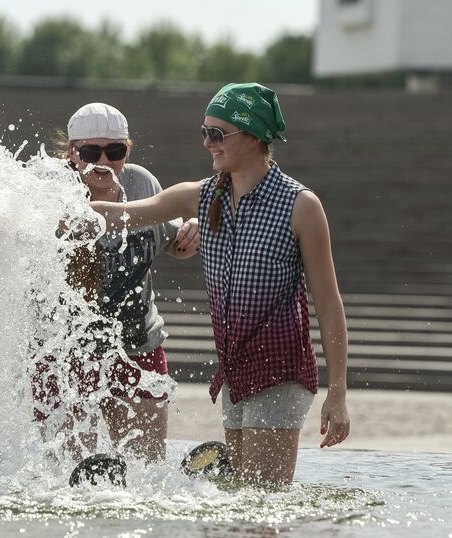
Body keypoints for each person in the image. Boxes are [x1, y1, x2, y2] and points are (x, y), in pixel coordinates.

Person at [90, 84, 350, 484]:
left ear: (252, 136)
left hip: (279, 372)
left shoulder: (301, 206)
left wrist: (338, 393)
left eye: (218, 134)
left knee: (261, 503)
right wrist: (37, 204)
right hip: (235, 373)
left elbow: (330, 306)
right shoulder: (201, 196)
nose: (208, 143)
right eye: (205, 132)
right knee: (241, 501)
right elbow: (120, 213)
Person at [33, 102, 200, 463]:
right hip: (64, 352)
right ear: (72, 153)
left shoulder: (141, 183)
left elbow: (170, 241)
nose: (104, 161)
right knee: (68, 474)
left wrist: (190, 233)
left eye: (115, 151)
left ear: (128, 150)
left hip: (136, 345)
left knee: (146, 467)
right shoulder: (49, 187)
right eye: (91, 152)